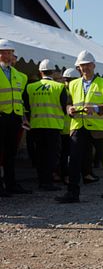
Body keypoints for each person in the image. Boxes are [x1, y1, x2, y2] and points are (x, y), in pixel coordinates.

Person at [55, 50, 103, 202]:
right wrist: (69, 109)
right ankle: (72, 193)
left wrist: (96, 109)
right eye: (82, 66)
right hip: (78, 126)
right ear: (78, 68)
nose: (85, 68)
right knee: (74, 160)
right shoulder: (73, 84)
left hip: (99, 129)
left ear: (94, 65)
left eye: (88, 65)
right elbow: (69, 103)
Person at [23, 59, 67, 191]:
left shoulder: (30, 87)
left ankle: (41, 180)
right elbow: (64, 107)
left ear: (40, 72)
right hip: (53, 126)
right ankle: (48, 182)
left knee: (39, 154)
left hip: (35, 126)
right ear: (53, 72)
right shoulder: (59, 87)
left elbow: (26, 106)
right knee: (51, 155)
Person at [0, 38, 31, 196]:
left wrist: (24, 117)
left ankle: (11, 184)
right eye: (4, 52)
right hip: (0, 116)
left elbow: (20, 99)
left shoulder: (20, 76)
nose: (7, 55)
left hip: (14, 118)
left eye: (10, 53)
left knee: (11, 152)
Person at [58, 67, 77, 184]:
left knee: (62, 154)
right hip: (71, 127)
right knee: (69, 154)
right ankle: (67, 176)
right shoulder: (74, 91)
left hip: (60, 126)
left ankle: (61, 174)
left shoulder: (61, 89)